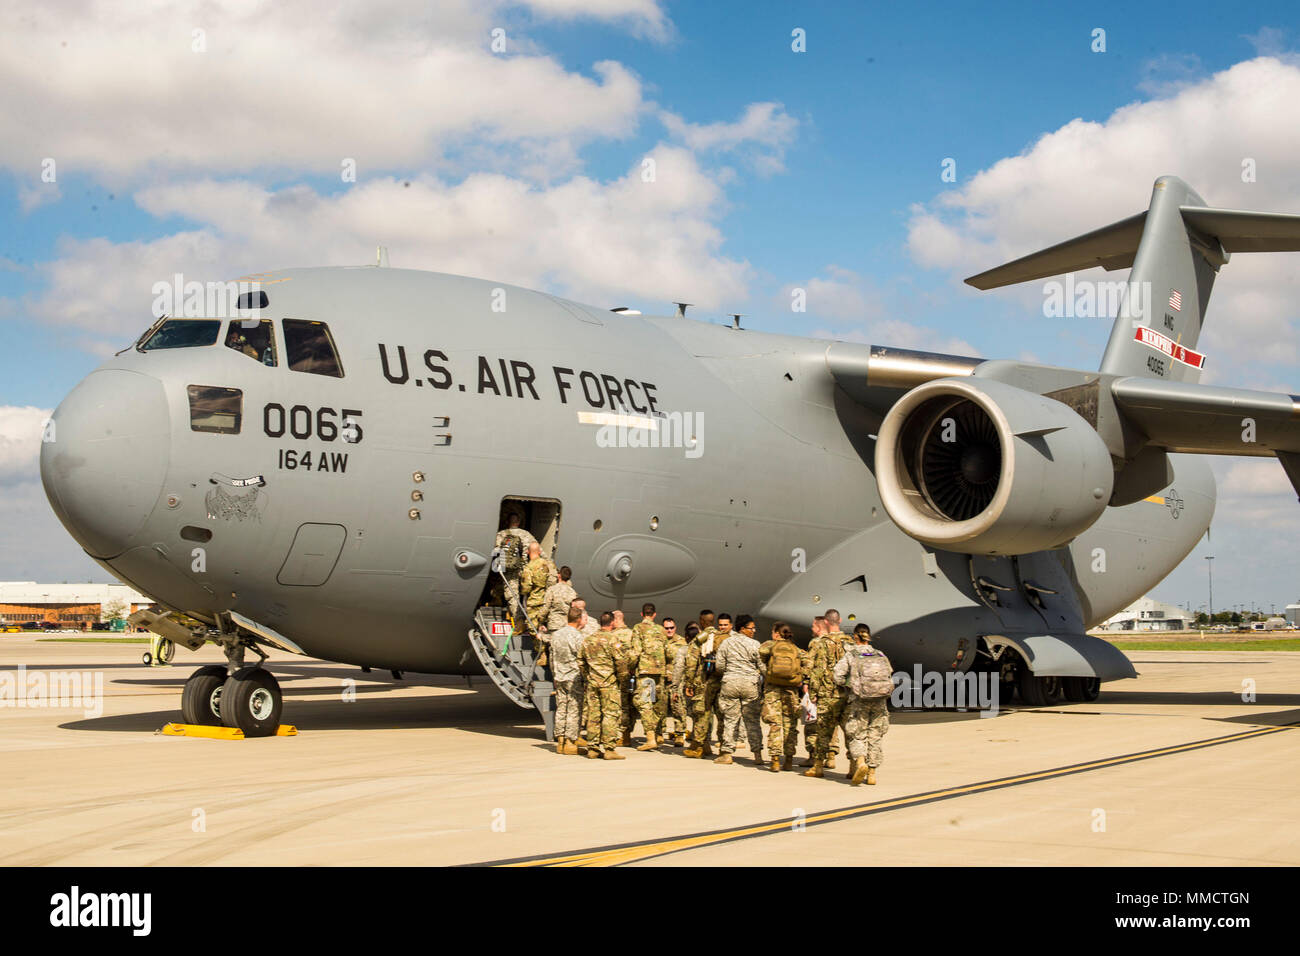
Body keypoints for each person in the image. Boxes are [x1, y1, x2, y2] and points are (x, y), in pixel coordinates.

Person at [833, 624, 893, 785]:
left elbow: (837, 675)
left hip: (860, 700)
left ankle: (860, 762)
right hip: (880, 701)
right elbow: (889, 673)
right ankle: (872, 773)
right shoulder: (880, 654)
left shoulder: (851, 654)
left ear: (855, 637)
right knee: (875, 736)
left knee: (856, 733)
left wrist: (849, 684)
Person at [804, 609, 854, 778]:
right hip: (847, 694)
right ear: (839, 620)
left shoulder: (819, 643)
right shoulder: (850, 643)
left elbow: (813, 670)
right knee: (850, 732)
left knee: (823, 732)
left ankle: (818, 767)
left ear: (826, 622)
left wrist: (812, 693)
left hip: (827, 694)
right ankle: (854, 765)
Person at [713, 614, 764, 766]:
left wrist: (731, 672)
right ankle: (757, 754)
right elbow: (762, 666)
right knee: (753, 720)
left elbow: (719, 666)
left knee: (730, 719)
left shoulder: (726, 643)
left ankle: (727, 753)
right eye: (751, 628)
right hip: (750, 684)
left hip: (731, 683)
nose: (753, 630)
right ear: (742, 629)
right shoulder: (755, 644)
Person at [758, 621, 809, 772]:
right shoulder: (796, 649)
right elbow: (809, 663)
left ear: (776, 634)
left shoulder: (769, 645)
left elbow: (761, 654)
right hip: (791, 691)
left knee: (775, 724)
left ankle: (774, 759)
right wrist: (800, 676)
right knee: (790, 725)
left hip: (772, 690)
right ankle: (788, 760)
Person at [578, 612, 626, 760]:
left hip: (593, 683)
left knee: (594, 715)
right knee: (610, 715)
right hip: (609, 684)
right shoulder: (613, 640)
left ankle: (592, 748)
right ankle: (609, 749)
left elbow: (581, 661)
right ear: (611, 623)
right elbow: (621, 662)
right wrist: (621, 679)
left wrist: (588, 676)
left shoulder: (588, 640)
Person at [549, 606, 588, 755]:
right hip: (573, 677)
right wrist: (585, 678)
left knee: (561, 709)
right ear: (578, 619)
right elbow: (582, 659)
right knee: (573, 710)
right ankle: (571, 743)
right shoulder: (577, 636)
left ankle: (560, 742)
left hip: (559, 677)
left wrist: (554, 675)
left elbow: (552, 658)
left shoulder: (556, 635)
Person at [629, 603, 668, 750]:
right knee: (658, 703)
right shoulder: (661, 630)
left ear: (642, 614)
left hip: (645, 671)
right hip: (660, 670)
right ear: (654, 614)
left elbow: (636, 651)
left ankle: (650, 737)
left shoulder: (638, 628)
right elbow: (666, 649)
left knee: (644, 703)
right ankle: (659, 734)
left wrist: (630, 667)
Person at [493, 511, 537, 613]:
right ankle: (527, 615)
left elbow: (495, 551)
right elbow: (539, 550)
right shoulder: (526, 534)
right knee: (528, 593)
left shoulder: (501, 534)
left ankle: (516, 617)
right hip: (525, 569)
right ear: (518, 522)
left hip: (509, 569)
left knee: (512, 594)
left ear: (508, 521)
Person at [801, 615, 829, 765]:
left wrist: (806, 682)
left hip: (817, 689)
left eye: (813, 626)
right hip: (833, 690)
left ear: (818, 627)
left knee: (812, 724)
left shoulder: (816, 643)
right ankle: (830, 756)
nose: (811, 629)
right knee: (830, 724)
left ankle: (814, 757)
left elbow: (808, 665)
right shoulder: (836, 642)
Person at [610, 610, 637, 745]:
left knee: (620, 706)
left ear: (614, 620)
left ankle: (622, 735)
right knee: (630, 705)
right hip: (631, 674)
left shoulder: (612, 636)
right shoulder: (633, 634)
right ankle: (627, 733)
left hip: (616, 676)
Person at [660, 617, 688, 745]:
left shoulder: (682, 642)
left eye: (671, 628)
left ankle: (679, 734)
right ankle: (659, 732)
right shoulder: (659, 641)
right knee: (660, 707)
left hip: (676, 681)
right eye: (666, 628)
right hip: (661, 679)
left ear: (675, 628)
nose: (669, 630)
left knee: (678, 707)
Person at [541, 566, 578, 634]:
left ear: (559, 575)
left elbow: (546, 607)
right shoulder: (573, 592)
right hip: (567, 626)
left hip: (554, 624)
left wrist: (540, 619)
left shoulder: (552, 589)